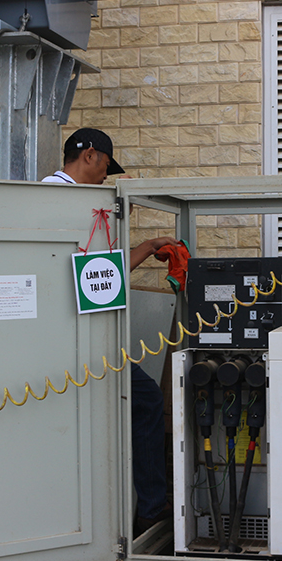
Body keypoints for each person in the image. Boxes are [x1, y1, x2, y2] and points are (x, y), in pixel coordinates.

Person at [43, 127, 178, 535]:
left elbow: (103, 271)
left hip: (85, 336)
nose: (105, 175)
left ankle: (143, 508)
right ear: (89, 155)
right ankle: (151, 508)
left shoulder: (81, 203)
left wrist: (150, 243)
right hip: (70, 338)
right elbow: (91, 273)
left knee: (140, 401)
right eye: (105, 166)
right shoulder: (56, 194)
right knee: (147, 401)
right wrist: (119, 205)